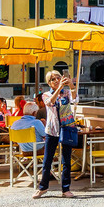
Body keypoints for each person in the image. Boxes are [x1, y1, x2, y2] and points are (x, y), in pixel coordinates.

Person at [35, 70, 76, 198]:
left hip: (67, 128)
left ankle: (65, 189)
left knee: (66, 160)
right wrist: (59, 89)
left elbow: (76, 100)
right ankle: (43, 187)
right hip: (52, 130)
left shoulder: (67, 93)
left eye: (58, 77)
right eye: (53, 79)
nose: (56, 80)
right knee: (47, 160)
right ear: (49, 83)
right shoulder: (46, 94)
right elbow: (50, 102)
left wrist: (71, 85)